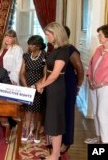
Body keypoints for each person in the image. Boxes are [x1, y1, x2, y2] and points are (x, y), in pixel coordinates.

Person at [36, 22, 70, 160]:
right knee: (51, 119)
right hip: (51, 87)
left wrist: (42, 85)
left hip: (56, 88)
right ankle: (54, 154)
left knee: (55, 121)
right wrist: (42, 83)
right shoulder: (55, 49)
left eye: (48, 34)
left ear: (56, 34)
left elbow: (55, 74)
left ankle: (55, 155)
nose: (47, 37)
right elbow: (48, 71)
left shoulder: (63, 50)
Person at [60, 26, 84, 153]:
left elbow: (80, 69)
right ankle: (59, 138)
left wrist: (78, 86)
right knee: (60, 114)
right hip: (58, 87)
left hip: (68, 86)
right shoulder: (58, 48)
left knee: (67, 114)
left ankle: (67, 141)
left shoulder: (71, 50)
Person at [20, 35, 47, 144]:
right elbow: (22, 73)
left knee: (37, 111)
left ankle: (36, 131)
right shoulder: (26, 56)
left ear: (38, 46)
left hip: (39, 87)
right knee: (28, 110)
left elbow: (45, 75)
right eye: (29, 44)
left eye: (32, 45)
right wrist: (26, 86)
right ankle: (26, 131)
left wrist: (37, 85)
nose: (29, 46)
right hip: (27, 86)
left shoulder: (45, 56)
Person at [85, 24, 108, 144]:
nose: (99, 37)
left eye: (100, 35)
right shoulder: (99, 49)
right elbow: (91, 64)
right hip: (93, 85)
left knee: (102, 113)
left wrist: (102, 83)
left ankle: (105, 141)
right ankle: (99, 137)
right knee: (95, 112)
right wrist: (89, 78)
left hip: (105, 87)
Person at [0, 29, 23, 129]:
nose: (8, 39)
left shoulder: (17, 48)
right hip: (1, 77)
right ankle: (6, 120)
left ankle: (12, 122)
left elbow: (19, 65)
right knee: (3, 101)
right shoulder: (2, 49)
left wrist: (14, 79)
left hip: (11, 77)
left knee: (11, 102)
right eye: (6, 37)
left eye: (10, 37)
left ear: (14, 39)